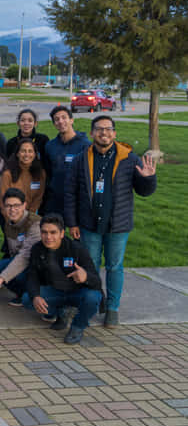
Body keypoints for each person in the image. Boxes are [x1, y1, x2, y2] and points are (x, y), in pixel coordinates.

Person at [64, 115, 157, 328]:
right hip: (89, 225)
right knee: (91, 266)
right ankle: (96, 301)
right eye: (99, 129)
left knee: (115, 267)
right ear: (91, 133)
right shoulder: (81, 159)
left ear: (114, 133)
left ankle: (113, 308)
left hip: (118, 226)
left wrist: (148, 178)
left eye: (108, 129)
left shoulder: (129, 159)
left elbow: (144, 192)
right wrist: (72, 223)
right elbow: (70, 192)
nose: (103, 133)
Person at [27, 214, 103, 345]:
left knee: (93, 297)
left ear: (62, 233)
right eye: (44, 232)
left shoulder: (77, 249)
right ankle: (61, 313)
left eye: (53, 232)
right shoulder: (37, 249)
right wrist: (35, 296)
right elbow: (32, 276)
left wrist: (85, 277)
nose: (48, 237)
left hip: (77, 293)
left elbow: (97, 282)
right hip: (55, 291)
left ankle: (77, 327)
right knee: (27, 300)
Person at [0, 188, 41, 306]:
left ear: (24, 205)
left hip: (36, 266)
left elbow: (25, 256)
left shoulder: (35, 224)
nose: (12, 210)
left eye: (16, 205)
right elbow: (13, 252)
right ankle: (21, 293)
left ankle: (33, 295)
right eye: (8, 206)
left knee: (16, 275)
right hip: (19, 260)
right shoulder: (9, 222)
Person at [43, 106, 91, 217]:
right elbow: (48, 171)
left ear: (71, 120)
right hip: (55, 199)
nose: (60, 121)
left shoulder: (85, 145)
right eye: (56, 119)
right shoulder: (50, 146)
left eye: (64, 118)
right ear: (54, 124)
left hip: (77, 200)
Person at [0, 138, 46, 213]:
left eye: (30, 151)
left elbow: (38, 198)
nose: (26, 154)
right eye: (23, 151)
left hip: (32, 216)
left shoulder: (40, 173)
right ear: (17, 154)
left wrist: (30, 216)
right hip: (12, 215)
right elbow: (3, 200)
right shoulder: (7, 174)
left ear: (35, 154)